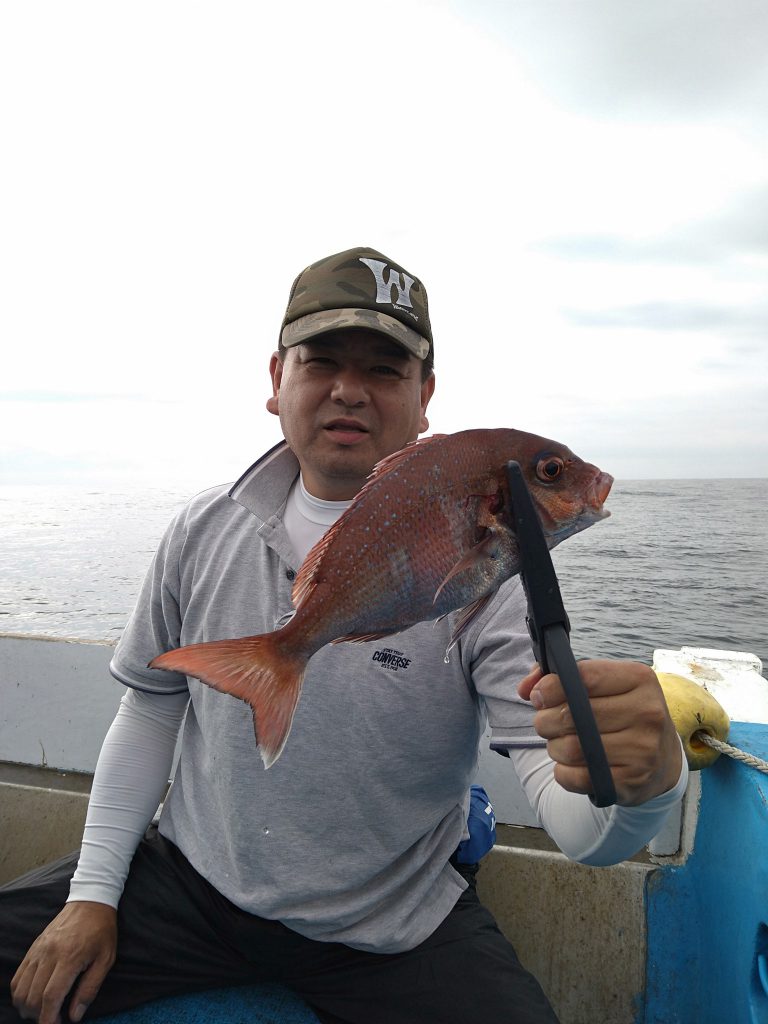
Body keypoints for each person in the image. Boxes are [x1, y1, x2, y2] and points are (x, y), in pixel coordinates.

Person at [1, 246, 686, 1024]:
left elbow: (577, 827)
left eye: (386, 370)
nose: (350, 390)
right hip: (191, 886)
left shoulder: (496, 585)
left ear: (425, 398)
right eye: (321, 360)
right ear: (277, 380)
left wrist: (647, 786)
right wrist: (94, 894)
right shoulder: (202, 529)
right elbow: (154, 708)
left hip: (393, 928)